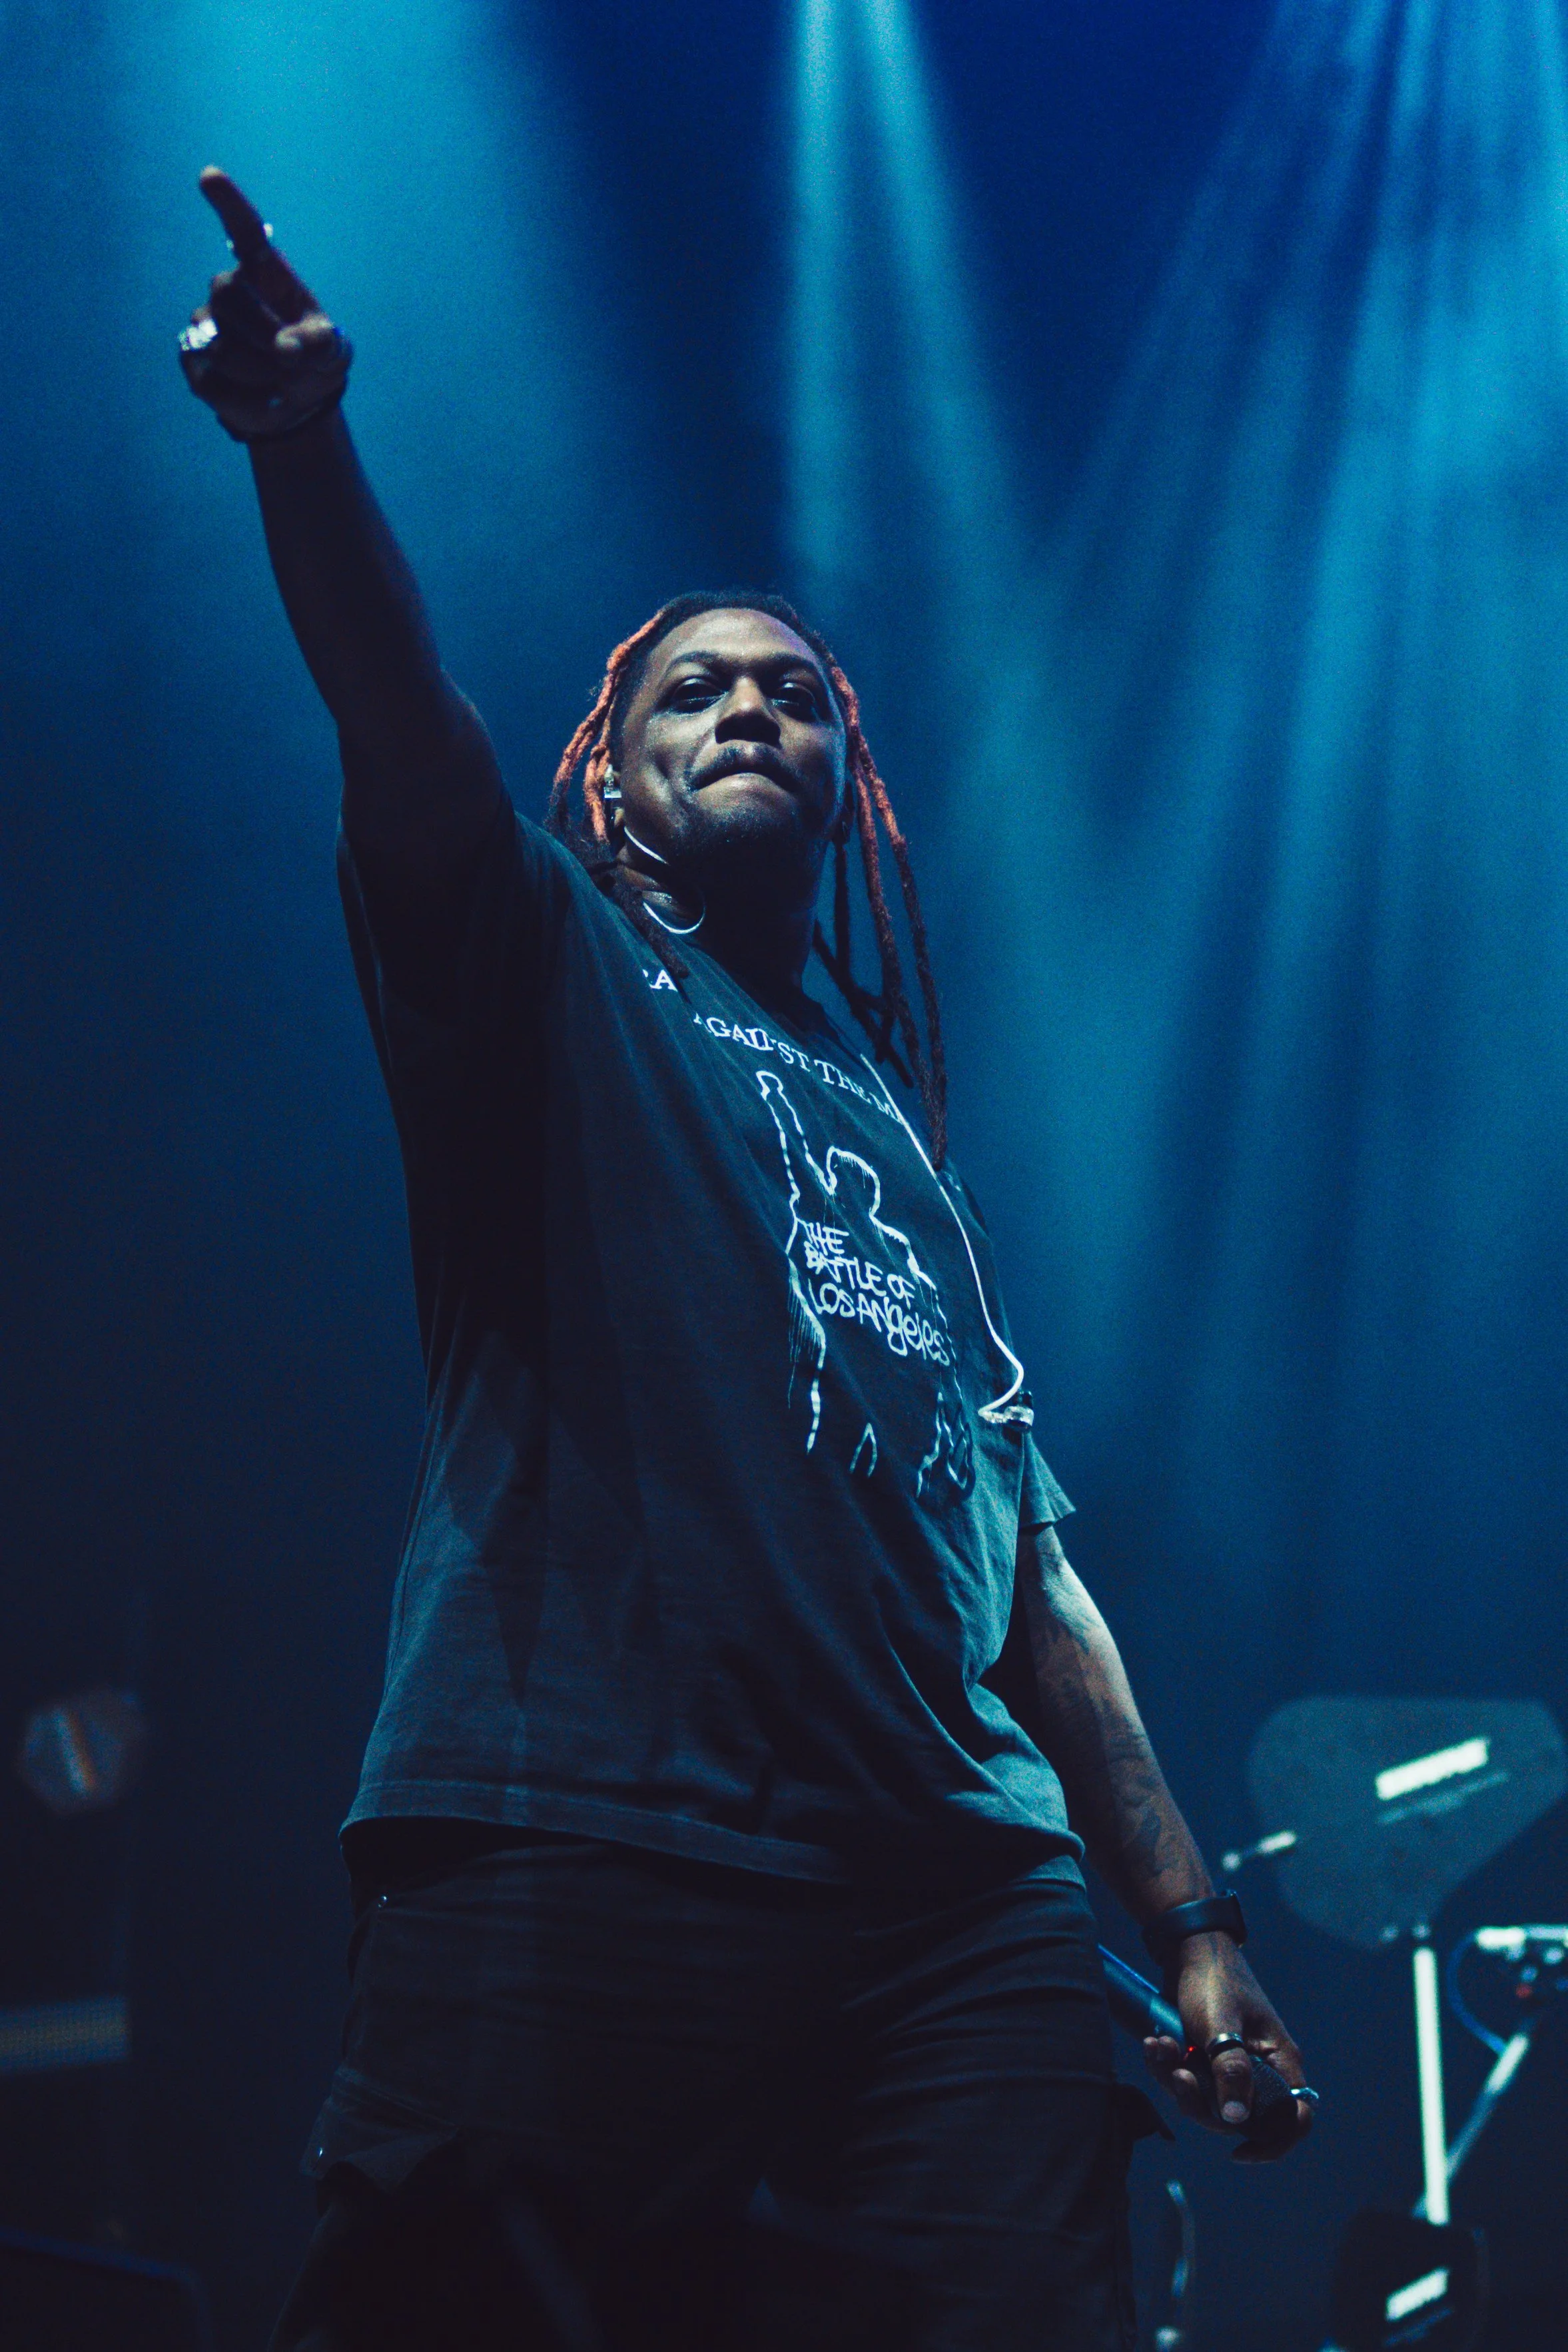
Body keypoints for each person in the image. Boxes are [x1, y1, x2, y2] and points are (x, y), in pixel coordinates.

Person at [179, 168, 1312, 2352]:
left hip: (957, 1898)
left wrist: (1187, 1924)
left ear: (852, 784)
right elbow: (402, 730)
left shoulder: (909, 1145)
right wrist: (301, 451)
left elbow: (1034, 1577)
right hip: (581, 1831)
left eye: (794, 694)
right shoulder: (540, 965)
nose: (752, 713)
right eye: (694, 690)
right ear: (608, 764)